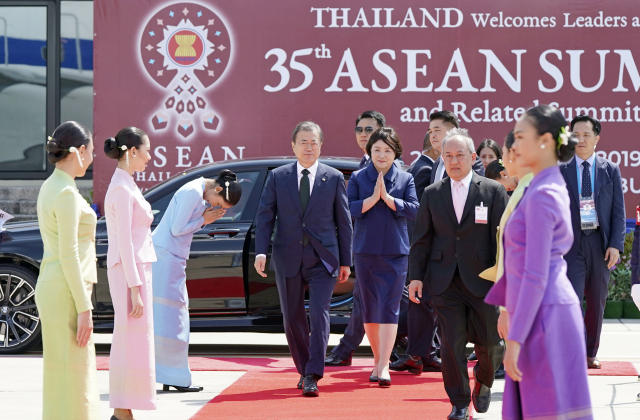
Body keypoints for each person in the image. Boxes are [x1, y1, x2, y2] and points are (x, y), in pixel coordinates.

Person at [485, 105, 593, 419]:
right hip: (542, 311)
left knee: (545, 409)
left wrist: (515, 338)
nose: (513, 146)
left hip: (544, 315)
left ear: (545, 141)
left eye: (520, 137)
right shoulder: (543, 186)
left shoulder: (543, 192)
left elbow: (535, 273)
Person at [409, 128, 508, 420]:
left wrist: (505, 282)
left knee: (490, 344)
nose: (453, 161)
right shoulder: (432, 193)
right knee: (451, 345)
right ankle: (460, 402)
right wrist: (416, 276)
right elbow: (421, 239)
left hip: (484, 281)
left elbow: (502, 241)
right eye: (448, 155)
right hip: (444, 281)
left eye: (459, 155)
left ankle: (484, 379)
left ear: (473, 157)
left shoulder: (492, 190)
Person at [255, 121, 352, 397]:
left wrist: (346, 261)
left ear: (321, 146)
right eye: (303, 142)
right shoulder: (278, 176)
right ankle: (304, 368)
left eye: (314, 142)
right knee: (292, 316)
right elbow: (265, 216)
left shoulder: (332, 177)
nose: (309, 147)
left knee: (320, 315)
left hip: (324, 259)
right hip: (288, 256)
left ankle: (313, 374)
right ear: (293, 146)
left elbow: (344, 222)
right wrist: (261, 251)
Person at [153, 169, 242, 391]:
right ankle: (173, 377)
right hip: (166, 256)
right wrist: (204, 219)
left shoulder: (197, 192)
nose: (218, 208)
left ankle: (172, 376)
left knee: (172, 317)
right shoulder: (192, 192)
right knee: (172, 318)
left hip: (170, 256)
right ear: (218, 189)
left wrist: (204, 217)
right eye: (220, 204)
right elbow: (177, 229)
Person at [35, 121, 100, 420]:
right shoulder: (66, 193)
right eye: (91, 151)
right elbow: (69, 254)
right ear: (80, 151)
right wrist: (84, 307)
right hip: (67, 292)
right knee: (75, 377)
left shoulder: (53, 186)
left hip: (56, 286)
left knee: (62, 377)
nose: (93, 157)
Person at [348, 127, 419, 386]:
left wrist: (388, 199)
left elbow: (414, 210)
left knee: (389, 307)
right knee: (370, 308)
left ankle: (383, 365)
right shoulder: (357, 177)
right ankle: (379, 361)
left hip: (395, 253)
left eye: (387, 150)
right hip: (365, 251)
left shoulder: (405, 179)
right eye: (377, 149)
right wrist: (372, 199)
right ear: (370, 152)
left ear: (395, 153)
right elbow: (349, 208)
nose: (381, 154)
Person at [560, 115, 625, 369]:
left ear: (597, 138)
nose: (581, 139)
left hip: (599, 243)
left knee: (597, 301)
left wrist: (616, 245)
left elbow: (618, 210)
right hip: (571, 246)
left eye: (587, 134)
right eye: (577, 134)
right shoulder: (561, 168)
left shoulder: (609, 169)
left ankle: (590, 352)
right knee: (572, 301)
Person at [103, 128, 157, 420]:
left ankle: (122, 410)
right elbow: (123, 240)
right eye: (147, 151)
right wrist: (135, 288)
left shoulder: (127, 184)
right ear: (132, 151)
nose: (150, 157)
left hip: (134, 271)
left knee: (135, 340)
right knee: (128, 339)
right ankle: (122, 412)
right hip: (128, 273)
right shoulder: (122, 188)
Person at [326, 110, 384, 367]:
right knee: (371, 299)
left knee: (370, 298)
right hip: (363, 244)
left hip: (382, 245)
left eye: (369, 129)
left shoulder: (383, 164)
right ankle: (409, 346)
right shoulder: (363, 164)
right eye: (359, 129)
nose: (363, 134)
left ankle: (346, 349)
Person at [391, 130, 443, 375]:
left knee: (423, 303)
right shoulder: (423, 170)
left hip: (424, 248)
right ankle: (419, 353)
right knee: (420, 302)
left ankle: (422, 353)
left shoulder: (424, 168)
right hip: (422, 246)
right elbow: (421, 215)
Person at [429, 111, 485, 185]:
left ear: (453, 130)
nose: (432, 135)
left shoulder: (471, 161)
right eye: (430, 131)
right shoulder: (437, 163)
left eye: (437, 130)